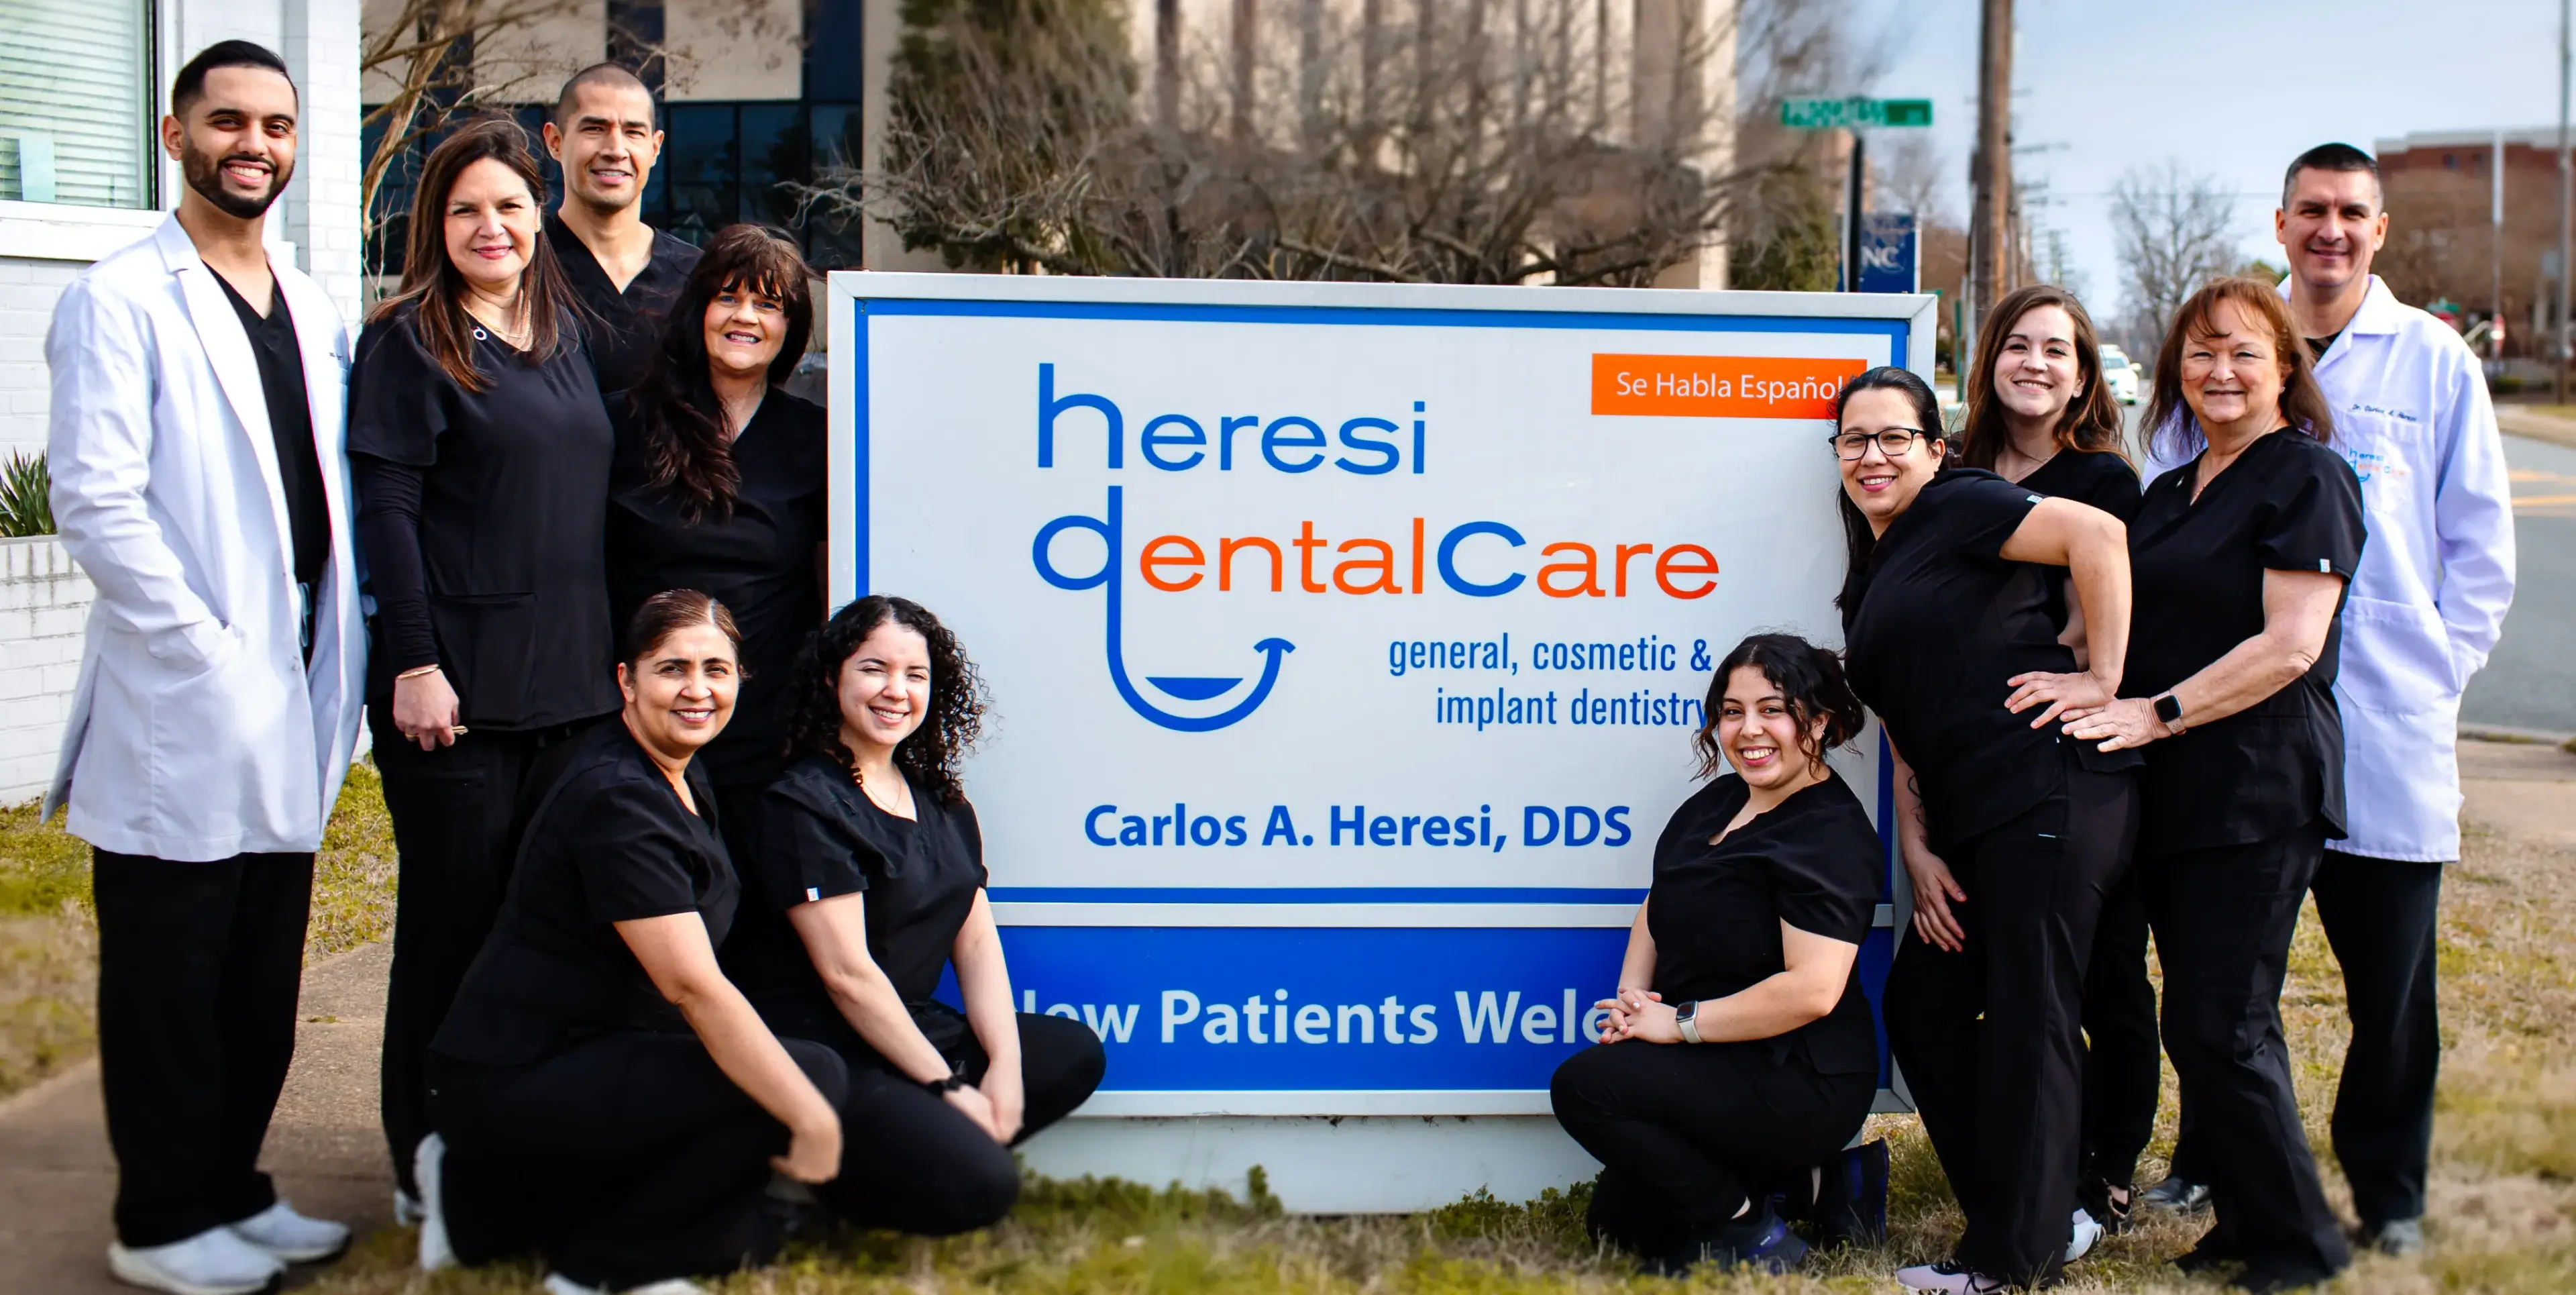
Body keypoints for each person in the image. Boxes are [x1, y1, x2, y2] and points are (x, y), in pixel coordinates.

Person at [2143, 144, 2517, 1256]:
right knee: (2224, 971)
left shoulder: (2433, 359)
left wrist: (2437, 672)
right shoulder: (2233, 342)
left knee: (2389, 986)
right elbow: (2177, 512)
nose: (2332, 229)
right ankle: (2212, 1163)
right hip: (2247, 728)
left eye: (2353, 212)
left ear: (2379, 229)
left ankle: (2390, 1191)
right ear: (2282, 222)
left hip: (2386, 716)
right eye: (2312, 209)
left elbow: (2480, 543)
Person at [43, 40, 367, 1295]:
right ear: (176, 135)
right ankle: (162, 1217)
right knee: (170, 973)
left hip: (294, 670)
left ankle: (232, 1187)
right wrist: (201, 644)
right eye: (229, 122)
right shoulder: (122, 297)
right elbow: (95, 498)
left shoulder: (310, 304)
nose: (256, 145)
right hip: (186, 685)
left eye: (277, 126)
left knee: (259, 967)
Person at [2063, 276, 2365, 1292]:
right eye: (2199, 353)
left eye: (2243, 352)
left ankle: (2300, 1247)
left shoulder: (2308, 476)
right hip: (2179, 797)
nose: (2219, 371)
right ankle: (2246, 1223)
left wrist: (2157, 713)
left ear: (2284, 368)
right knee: (2212, 1023)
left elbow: (2290, 646)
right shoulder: (2171, 491)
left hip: (2257, 789)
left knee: (2222, 1026)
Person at [415, 590, 847, 1295]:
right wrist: (811, 1118)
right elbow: (692, 987)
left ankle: (475, 1204)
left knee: (742, 1234)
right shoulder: (617, 797)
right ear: (627, 680)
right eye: (672, 668)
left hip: (598, 1049)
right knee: (807, 1079)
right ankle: (601, 1275)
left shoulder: (682, 767)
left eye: (716, 669)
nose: (698, 689)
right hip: (514, 1074)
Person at [348, 115, 621, 1212]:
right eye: (466, 209)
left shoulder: (561, 336)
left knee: (540, 937)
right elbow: (387, 511)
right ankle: (425, 1160)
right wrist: (414, 661)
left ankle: (515, 1144)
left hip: (571, 698)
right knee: (449, 939)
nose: (491, 226)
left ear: (537, 215)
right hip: (457, 702)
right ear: (437, 223)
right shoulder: (410, 340)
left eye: (509, 205)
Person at [1826, 365, 2139, 1294]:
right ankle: (2042, 1211)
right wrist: (1916, 845)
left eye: (1894, 437)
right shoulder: (1875, 572)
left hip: (2048, 789)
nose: (1873, 455)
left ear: (1936, 449)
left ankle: (2012, 1261)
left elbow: (2099, 534)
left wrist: (2103, 677)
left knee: (2030, 1014)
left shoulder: (1959, 505)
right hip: (1970, 825)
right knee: (1924, 1011)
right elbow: (1907, 727)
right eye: (1854, 439)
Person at [720, 595, 1106, 1235]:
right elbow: (848, 975)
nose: (895, 691)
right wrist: (945, 1087)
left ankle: (885, 1163)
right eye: (874, 669)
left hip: (915, 1028)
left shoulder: (942, 801)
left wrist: (1004, 1069)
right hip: (831, 1050)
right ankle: (806, 1189)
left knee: (1070, 1053)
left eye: (915, 674)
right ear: (832, 679)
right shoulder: (803, 804)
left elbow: (976, 944)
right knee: (982, 1187)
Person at [1546, 634, 1883, 1278]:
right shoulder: (1719, 801)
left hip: (1799, 1075)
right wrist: (1634, 999)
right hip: (1718, 1057)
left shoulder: (1828, 837)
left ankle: (1750, 1231)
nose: (1749, 730)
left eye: (1772, 710)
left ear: (1818, 722)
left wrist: (1676, 1024)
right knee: (1620, 1222)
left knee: (1584, 1087)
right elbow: (1660, 900)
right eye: (1732, 712)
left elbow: (1812, 991)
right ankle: (1826, 1187)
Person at [1954, 284, 2157, 1237]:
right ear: (1990, 358)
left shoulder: (2103, 481)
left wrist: (2094, 678)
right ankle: (2027, 1158)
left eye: (2057, 351)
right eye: (2019, 345)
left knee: (2106, 975)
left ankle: (2108, 1168)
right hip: (1972, 761)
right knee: (2001, 983)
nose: (2034, 363)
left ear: (2081, 380)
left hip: (2077, 757)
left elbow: (2085, 626)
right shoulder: (1952, 470)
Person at [608, 225, 826, 866]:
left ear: (790, 328)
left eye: (769, 304)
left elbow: (825, 586)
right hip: (642, 725)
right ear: (698, 308)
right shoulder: (624, 423)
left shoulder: (817, 438)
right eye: (728, 297)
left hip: (766, 728)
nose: (746, 317)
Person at [541, 62, 702, 394]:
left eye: (633, 132)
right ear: (555, 141)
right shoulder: (521, 267)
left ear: (655, 148)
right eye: (594, 128)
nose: (615, 150)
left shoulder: (698, 276)